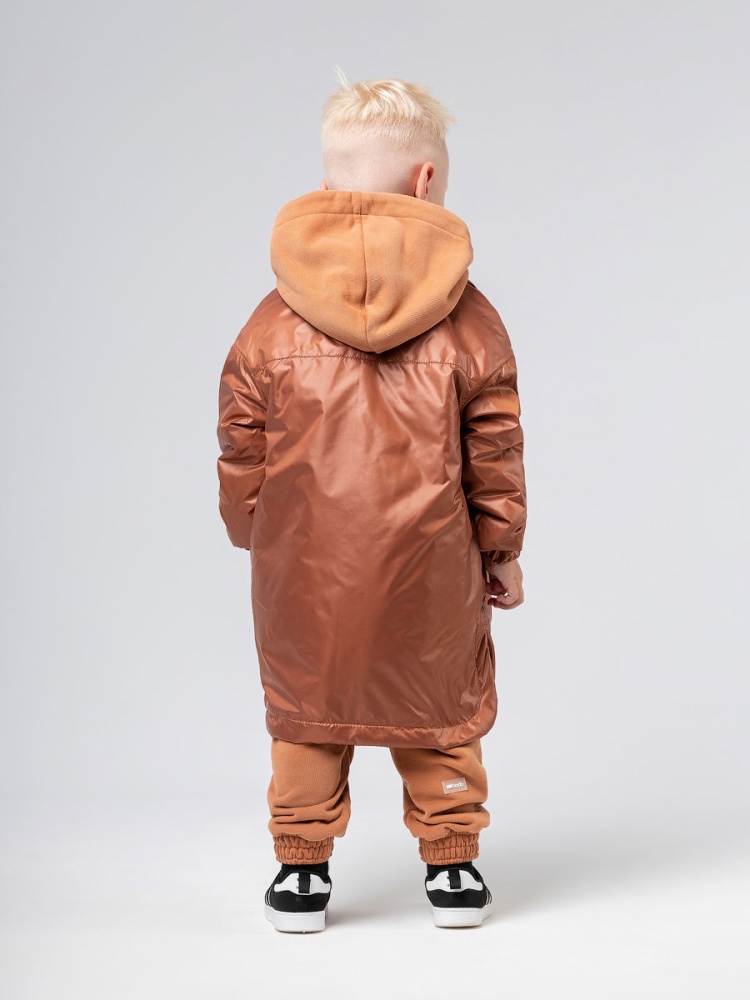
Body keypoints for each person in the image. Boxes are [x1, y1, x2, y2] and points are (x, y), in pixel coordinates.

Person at [216, 72, 527, 933]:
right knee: (440, 706)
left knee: (310, 709)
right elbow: (494, 449)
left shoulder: (271, 320)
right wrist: (500, 550)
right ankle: (453, 866)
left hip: (304, 570)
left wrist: (255, 531)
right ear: (427, 183)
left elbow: (241, 440)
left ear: (327, 187)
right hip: (432, 567)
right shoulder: (470, 319)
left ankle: (301, 873)